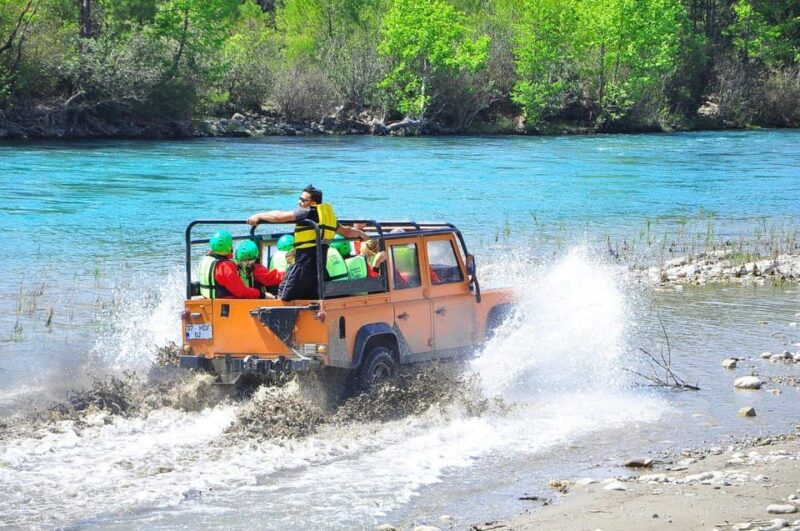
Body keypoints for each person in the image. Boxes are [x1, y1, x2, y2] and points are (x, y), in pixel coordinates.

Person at [247, 184, 369, 300]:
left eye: (303, 200)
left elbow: (279, 217)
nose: (299, 202)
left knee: (282, 296)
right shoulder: (326, 217)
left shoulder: (306, 212)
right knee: (309, 301)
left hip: (302, 268)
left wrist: (259, 216)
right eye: (299, 199)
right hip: (318, 271)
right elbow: (346, 231)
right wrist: (361, 234)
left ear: (313, 203)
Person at [198, 230, 262, 299]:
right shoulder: (225, 266)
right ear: (229, 247)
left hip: (208, 300)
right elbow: (241, 292)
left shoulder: (204, 260)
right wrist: (261, 294)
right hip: (226, 303)